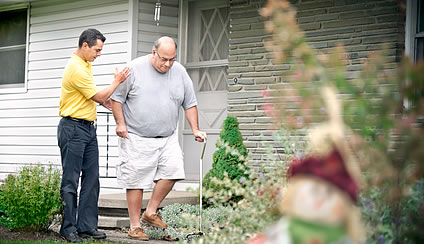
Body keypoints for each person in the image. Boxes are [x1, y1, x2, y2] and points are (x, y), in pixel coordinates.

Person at [110, 36, 206, 240]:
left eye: (172, 59)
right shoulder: (134, 69)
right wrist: (120, 124)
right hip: (136, 135)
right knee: (135, 181)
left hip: (167, 136)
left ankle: (150, 212)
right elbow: (116, 98)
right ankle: (135, 226)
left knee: (174, 171)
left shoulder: (179, 71)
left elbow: (189, 103)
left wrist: (195, 129)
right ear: (154, 53)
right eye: (164, 59)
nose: (168, 64)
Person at [57, 28, 130, 243]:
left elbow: (91, 97)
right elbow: (97, 94)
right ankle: (68, 228)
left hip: (88, 129)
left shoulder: (86, 65)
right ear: (85, 45)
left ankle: (87, 226)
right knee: (70, 180)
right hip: (72, 129)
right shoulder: (75, 68)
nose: (99, 54)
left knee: (92, 178)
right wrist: (117, 81)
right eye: (97, 50)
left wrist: (102, 101)